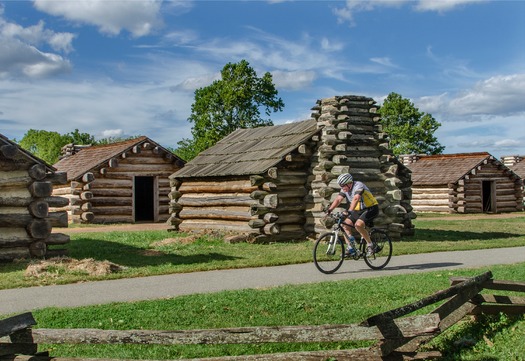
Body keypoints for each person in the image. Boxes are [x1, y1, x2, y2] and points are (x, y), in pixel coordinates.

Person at [325, 173, 379, 257]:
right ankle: (351, 247)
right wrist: (330, 209)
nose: (342, 188)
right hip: (358, 210)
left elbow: (356, 198)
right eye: (341, 186)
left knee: (358, 225)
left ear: (349, 183)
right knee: (344, 225)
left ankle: (370, 245)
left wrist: (349, 211)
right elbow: (338, 199)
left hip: (370, 208)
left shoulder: (358, 185)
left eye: (343, 186)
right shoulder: (345, 189)